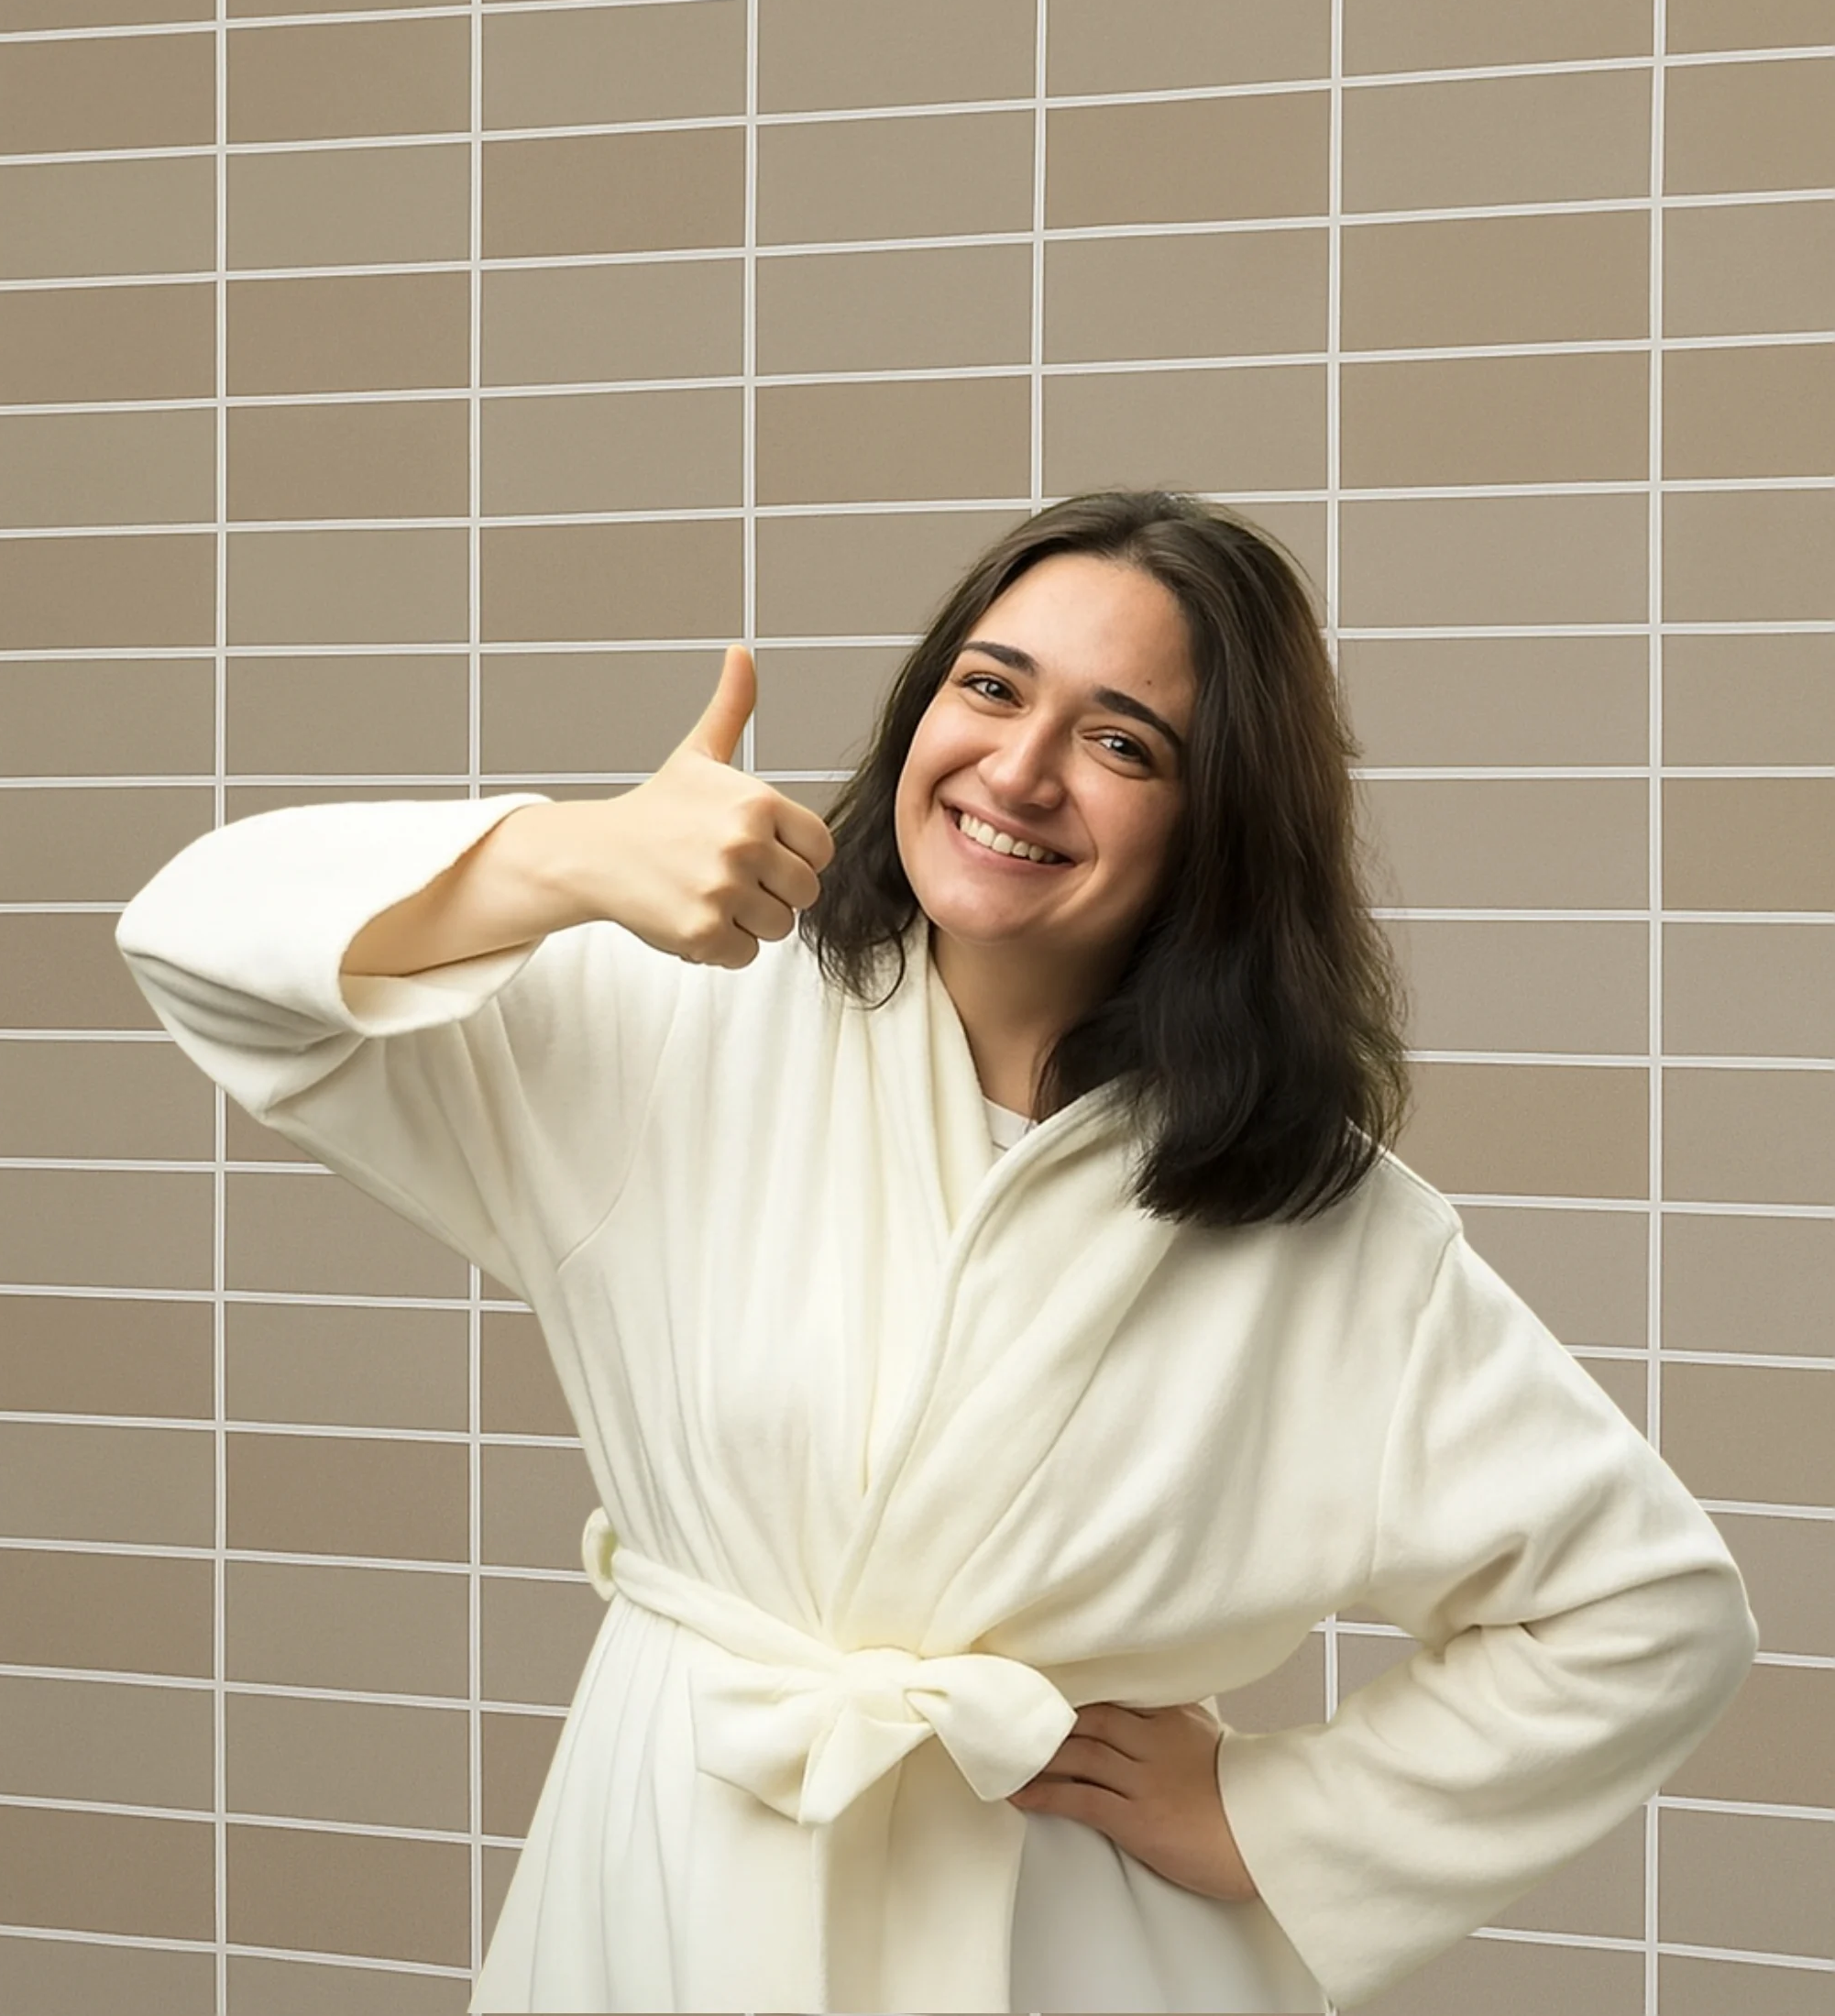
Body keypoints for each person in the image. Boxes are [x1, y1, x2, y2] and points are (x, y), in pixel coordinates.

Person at [113, 490, 1756, 2013]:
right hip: (677, 1881)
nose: (1018, 769)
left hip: (1065, 1942)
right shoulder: (681, 1029)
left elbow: (1646, 1611)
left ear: (1218, 824)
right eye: (988, 686)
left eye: (1120, 738)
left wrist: (1276, 1815)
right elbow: (197, 941)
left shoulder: (1321, 1225)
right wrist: (565, 859)